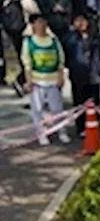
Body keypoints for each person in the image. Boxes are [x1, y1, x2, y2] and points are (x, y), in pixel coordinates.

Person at [21, 14, 71, 146]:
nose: (41, 25)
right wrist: (29, 81)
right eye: (37, 22)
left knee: (57, 108)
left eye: (43, 22)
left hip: (53, 80)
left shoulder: (54, 41)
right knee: (37, 109)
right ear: (33, 25)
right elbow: (27, 64)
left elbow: (60, 61)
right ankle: (41, 133)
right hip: (37, 81)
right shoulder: (29, 42)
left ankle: (61, 131)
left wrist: (61, 78)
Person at [63, 12, 100, 136]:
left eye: (83, 20)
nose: (81, 24)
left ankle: (95, 126)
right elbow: (67, 52)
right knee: (79, 102)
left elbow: (98, 55)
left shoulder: (94, 38)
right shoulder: (71, 38)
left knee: (94, 102)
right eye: (77, 21)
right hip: (77, 75)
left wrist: (98, 71)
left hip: (93, 75)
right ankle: (81, 128)